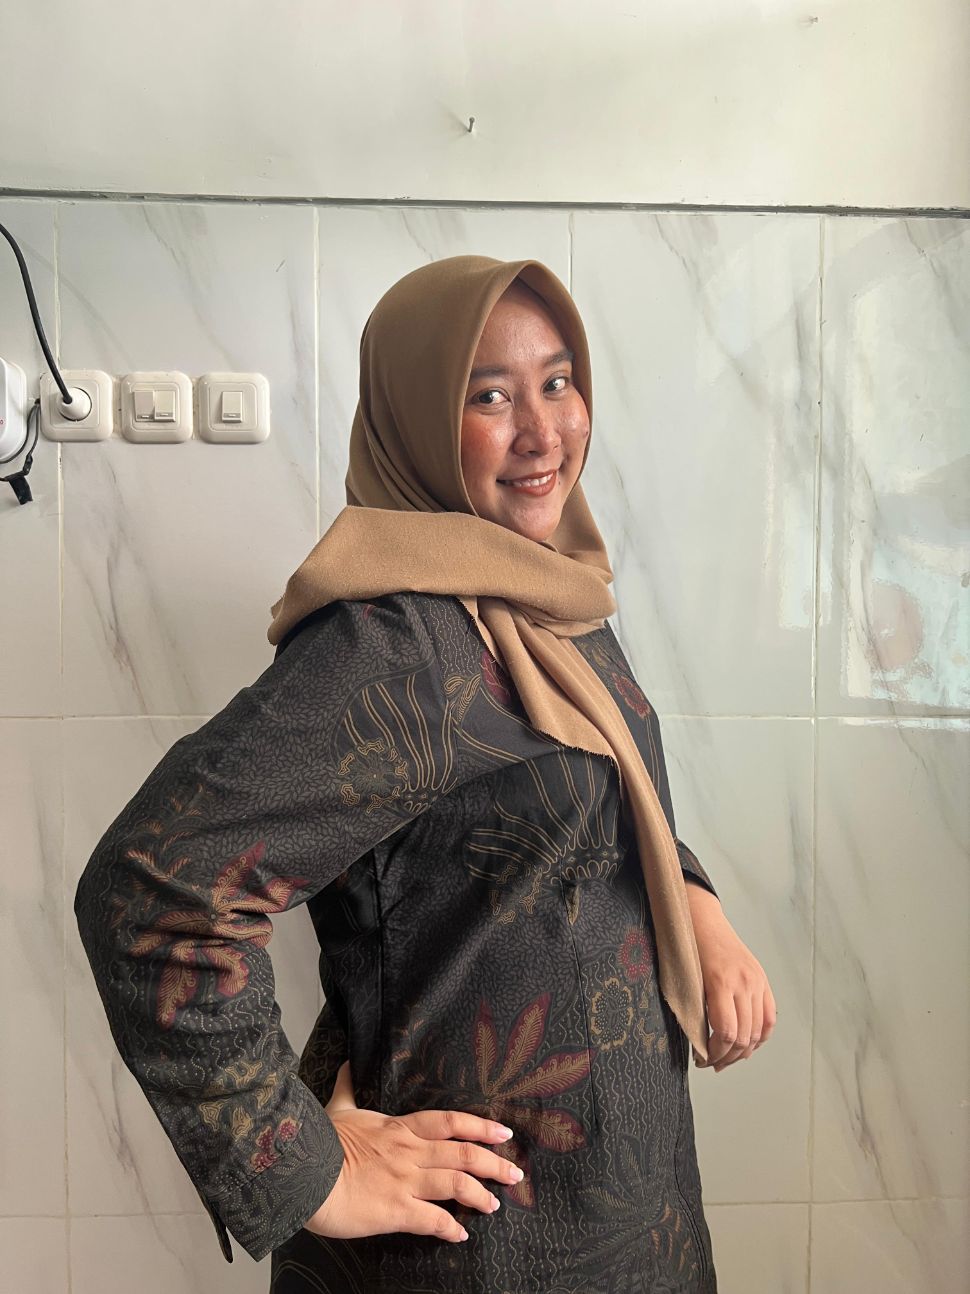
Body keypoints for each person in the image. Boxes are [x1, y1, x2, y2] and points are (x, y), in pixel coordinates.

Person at [75, 254, 776, 1294]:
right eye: (488, 396)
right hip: (479, 1239)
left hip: (625, 1198)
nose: (543, 431)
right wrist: (311, 1170)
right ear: (413, 419)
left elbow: (594, 801)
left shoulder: (545, 595)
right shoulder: (397, 641)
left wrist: (695, 904)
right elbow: (153, 888)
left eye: (557, 381)